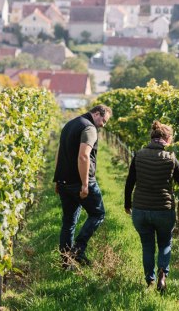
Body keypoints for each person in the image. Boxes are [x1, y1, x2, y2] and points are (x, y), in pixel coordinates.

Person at [124, 120, 179, 292]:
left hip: (141, 210)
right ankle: (163, 274)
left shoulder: (139, 155)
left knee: (147, 245)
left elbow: (130, 182)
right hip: (164, 210)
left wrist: (128, 204)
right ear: (167, 139)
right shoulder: (170, 159)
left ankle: (150, 280)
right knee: (164, 244)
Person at [53, 104, 112, 269]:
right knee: (98, 213)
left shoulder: (70, 124)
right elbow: (84, 156)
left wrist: (57, 179)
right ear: (96, 113)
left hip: (64, 182)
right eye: (104, 120)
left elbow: (59, 152)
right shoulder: (89, 128)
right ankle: (78, 250)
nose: (103, 125)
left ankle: (66, 263)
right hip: (79, 183)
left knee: (69, 222)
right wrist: (85, 184)